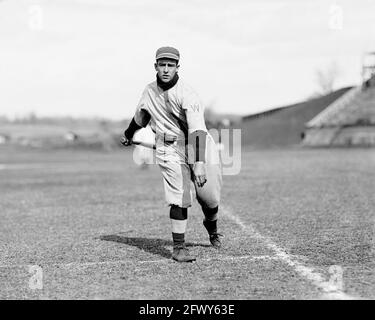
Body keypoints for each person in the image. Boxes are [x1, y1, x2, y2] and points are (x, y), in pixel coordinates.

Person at [121, 46, 223, 262]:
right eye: (162, 65)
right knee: (179, 195)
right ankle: (179, 248)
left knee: (209, 197)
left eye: (170, 65)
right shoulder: (148, 92)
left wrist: (200, 163)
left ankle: (211, 226)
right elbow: (141, 117)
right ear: (155, 66)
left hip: (198, 143)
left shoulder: (188, 93)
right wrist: (128, 134)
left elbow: (197, 130)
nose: (166, 69)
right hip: (168, 149)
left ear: (178, 67)